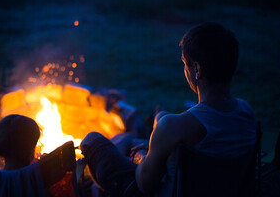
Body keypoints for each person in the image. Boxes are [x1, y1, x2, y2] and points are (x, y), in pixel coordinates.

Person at [80, 22, 256, 196]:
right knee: (140, 140)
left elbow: (145, 184)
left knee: (92, 140)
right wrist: (161, 125)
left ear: (197, 69)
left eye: (185, 64)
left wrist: (141, 155)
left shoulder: (173, 127)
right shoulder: (246, 112)